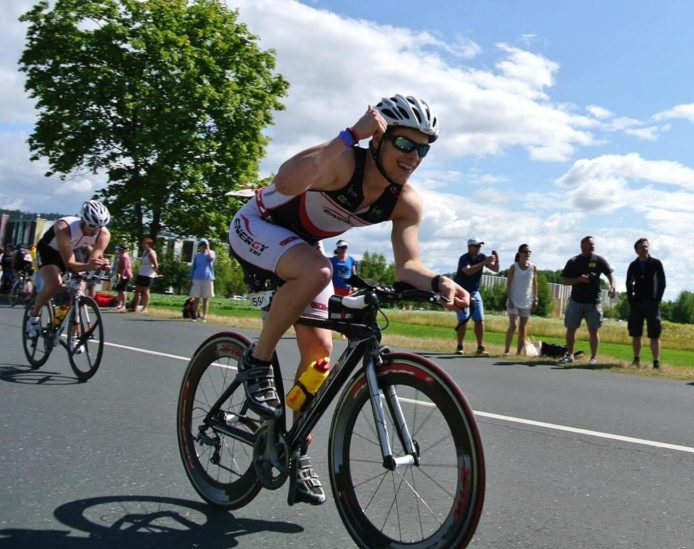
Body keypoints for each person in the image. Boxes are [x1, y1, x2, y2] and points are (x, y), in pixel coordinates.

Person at [227, 94, 468, 505]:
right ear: (379, 137)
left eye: (423, 148)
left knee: (320, 355)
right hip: (256, 225)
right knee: (319, 271)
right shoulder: (344, 161)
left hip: (300, 248)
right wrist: (349, 134)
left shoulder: (405, 201)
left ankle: (296, 449)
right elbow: (284, 182)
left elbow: (408, 265)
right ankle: (257, 361)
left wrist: (440, 282)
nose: (413, 156)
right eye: (404, 143)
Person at [26, 201, 112, 338]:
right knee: (54, 283)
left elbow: (92, 261)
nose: (95, 231)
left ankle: (74, 334)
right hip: (49, 251)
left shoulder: (104, 234)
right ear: (83, 220)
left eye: (99, 227)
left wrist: (100, 264)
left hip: (75, 249)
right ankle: (33, 316)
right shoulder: (64, 227)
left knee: (79, 289)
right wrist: (89, 265)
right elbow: (70, 263)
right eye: (92, 226)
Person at [560, 236, 616, 365]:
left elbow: (610, 275)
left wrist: (612, 287)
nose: (593, 246)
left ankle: (593, 358)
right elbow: (564, 280)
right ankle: (569, 355)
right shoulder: (573, 261)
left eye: (594, 244)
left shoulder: (599, 260)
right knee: (571, 328)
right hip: (576, 301)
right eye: (590, 244)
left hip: (594, 302)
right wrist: (579, 279)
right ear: (582, 246)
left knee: (594, 330)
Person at [625, 238, 666, 369]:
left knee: (655, 333)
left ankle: (656, 362)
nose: (645, 249)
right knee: (636, 333)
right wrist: (631, 299)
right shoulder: (633, 265)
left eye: (646, 246)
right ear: (636, 250)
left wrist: (657, 299)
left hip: (652, 303)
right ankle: (636, 360)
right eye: (642, 247)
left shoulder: (656, 263)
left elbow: (662, 283)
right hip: (637, 303)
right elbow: (628, 283)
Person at [454, 239, 500, 355]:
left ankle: (480, 346)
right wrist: (484, 263)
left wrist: (496, 259)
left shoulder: (482, 257)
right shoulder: (464, 258)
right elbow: (468, 271)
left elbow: (495, 269)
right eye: (476, 246)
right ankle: (460, 346)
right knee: (463, 319)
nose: (479, 248)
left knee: (479, 319)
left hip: (474, 292)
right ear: (469, 247)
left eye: (480, 246)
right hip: (461, 292)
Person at [503, 244, 537, 356]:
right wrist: (510, 298)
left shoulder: (533, 267)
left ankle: (518, 352)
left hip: (526, 300)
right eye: (525, 252)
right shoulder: (514, 267)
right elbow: (508, 284)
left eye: (529, 252)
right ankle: (507, 350)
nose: (527, 254)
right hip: (514, 300)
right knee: (514, 324)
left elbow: (535, 283)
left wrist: (535, 298)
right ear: (520, 253)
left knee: (523, 327)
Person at [189, 239, 216, 322]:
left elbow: (211, 258)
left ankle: (204, 316)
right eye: (202, 245)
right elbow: (193, 268)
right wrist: (191, 278)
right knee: (196, 298)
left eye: (205, 244)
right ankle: (194, 316)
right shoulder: (197, 256)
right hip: (197, 278)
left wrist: (208, 248)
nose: (203, 246)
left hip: (207, 278)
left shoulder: (211, 253)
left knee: (206, 298)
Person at [131, 237, 159, 312]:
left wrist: (155, 272)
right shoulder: (144, 252)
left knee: (146, 291)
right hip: (141, 273)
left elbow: (156, 265)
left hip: (148, 274)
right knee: (137, 290)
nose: (142, 244)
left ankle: (145, 308)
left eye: (144, 243)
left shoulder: (151, 253)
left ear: (148, 244)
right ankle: (135, 307)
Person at [112, 244, 132, 311]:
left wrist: (121, 276)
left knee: (123, 290)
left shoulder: (124, 257)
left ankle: (123, 305)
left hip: (125, 275)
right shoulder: (121, 256)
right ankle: (119, 304)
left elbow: (124, 268)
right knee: (119, 290)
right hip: (121, 275)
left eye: (119, 249)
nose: (118, 250)